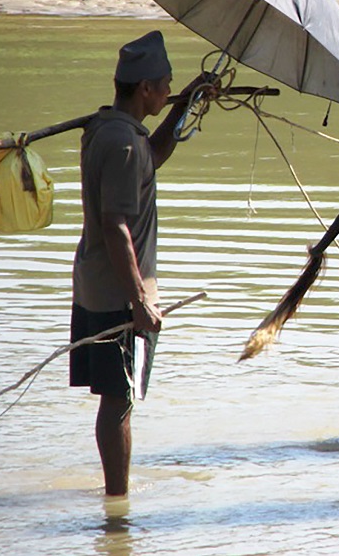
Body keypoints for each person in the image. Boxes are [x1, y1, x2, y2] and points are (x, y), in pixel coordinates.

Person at [69, 30, 209, 497]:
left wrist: (184, 105)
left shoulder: (109, 129)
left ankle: (115, 496)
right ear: (145, 88)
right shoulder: (124, 144)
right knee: (119, 399)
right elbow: (116, 227)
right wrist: (139, 302)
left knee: (117, 397)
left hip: (97, 281)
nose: (170, 90)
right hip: (118, 292)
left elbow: (154, 157)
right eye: (166, 84)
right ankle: (118, 507)